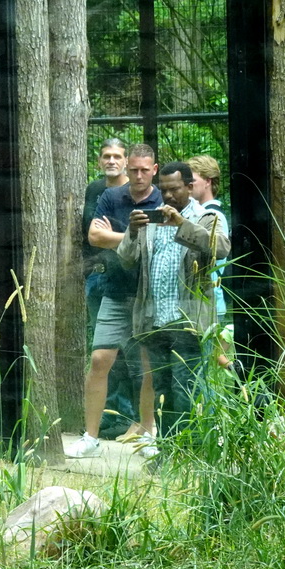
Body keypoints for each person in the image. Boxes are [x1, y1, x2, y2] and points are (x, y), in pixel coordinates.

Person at [118, 161, 231, 437]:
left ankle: (189, 453)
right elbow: (126, 260)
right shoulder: (152, 218)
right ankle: (168, 451)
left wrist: (182, 224)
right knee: (162, 393)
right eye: (164, 190)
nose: (168, 196)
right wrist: (132, 231)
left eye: (175, 189)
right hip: (155, 320)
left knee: (186, 391)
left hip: (188, 320)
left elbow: (222, 248)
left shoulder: (205, 217)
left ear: (191, 187)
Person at [66, 143, 161, 459]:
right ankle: (90, 437)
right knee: (99, 360)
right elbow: (95, 237)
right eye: (133, 169)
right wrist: (133, 235)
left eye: (143, 170)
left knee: (148, 365)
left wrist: (116, 236)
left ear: (154, 170)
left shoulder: (160, 198)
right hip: (115, 290)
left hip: (148, 294)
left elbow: (158, 241)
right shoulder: (110, 197)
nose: (137, 175)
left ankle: (149, 433)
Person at [82, 138, 136, 438]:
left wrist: (108, 236)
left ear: (126, 160)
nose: (111, 161)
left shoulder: (135, 192)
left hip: (124, 280)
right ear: (99, 160)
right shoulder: (95, 189)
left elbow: (129, 237)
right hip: (96, 276)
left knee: (127, 353)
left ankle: (126, 416)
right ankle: (107, 415)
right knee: (100, 352)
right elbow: (90, 233)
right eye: (106, 156)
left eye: (117, 156)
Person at [187, 155, 235, 370]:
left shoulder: (213, 215)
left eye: (193, 181)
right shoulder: (199, 213)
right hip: (202, 300)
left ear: (208, 181)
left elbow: (218, 256)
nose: (188, 186)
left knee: (204, 366)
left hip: (208, 300)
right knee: (207, 361)